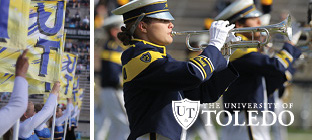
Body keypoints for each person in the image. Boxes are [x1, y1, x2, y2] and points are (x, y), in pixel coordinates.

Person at [112, 0, 239, 139]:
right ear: (142, 26)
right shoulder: (141, 58)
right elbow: (194, 74)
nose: (171, 25)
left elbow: (204, 93)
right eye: (164, 20)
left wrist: (224, 55)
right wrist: (214, 45)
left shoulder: (161, 58)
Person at [214, 0, 302, 139]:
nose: (259, 22)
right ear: (239, 25)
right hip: (245, 115)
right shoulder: (239, 50)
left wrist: (294, 50)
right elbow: (277, 66)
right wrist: (290, 44)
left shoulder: (246, 48)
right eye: (254, 18)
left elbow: (275, 77)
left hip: (248, 114)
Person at [97, 14, 130, 140]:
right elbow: (113, 75)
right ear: (113, 31)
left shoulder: (116, 47)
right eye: (121, 29)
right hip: (113, 89)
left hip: (112, 90)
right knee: (125, 126)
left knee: (116, 128)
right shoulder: (112, 48)